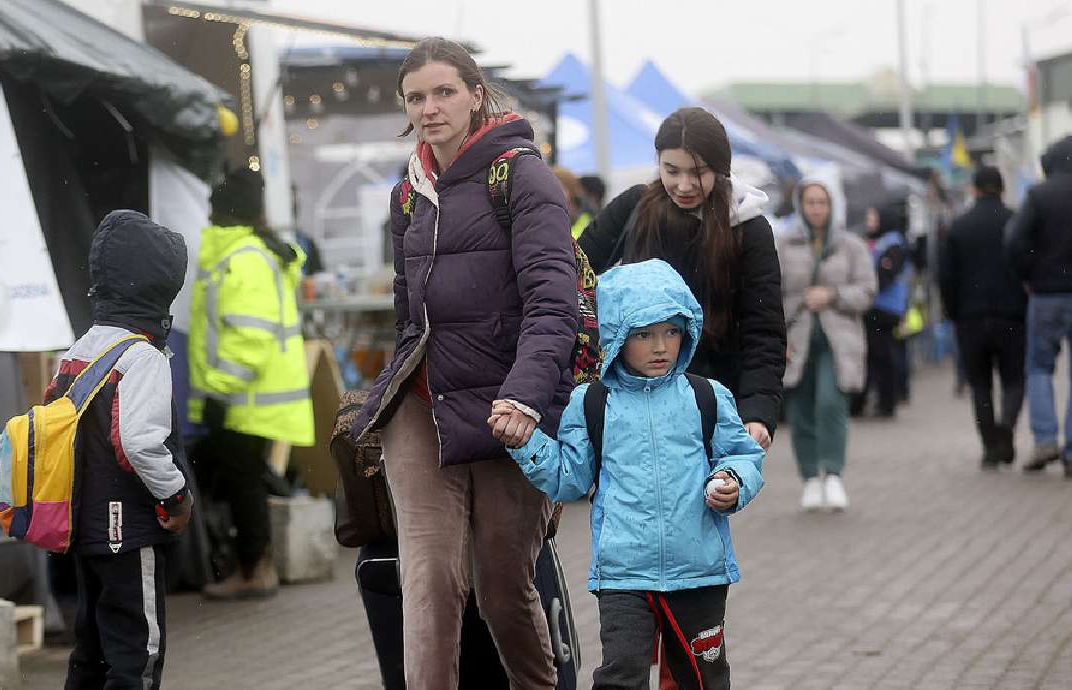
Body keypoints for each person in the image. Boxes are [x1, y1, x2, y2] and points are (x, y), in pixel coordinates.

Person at [351, 37, 578, 689]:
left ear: (476, 94)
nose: (429, 107)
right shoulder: (408, 196)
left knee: (505, 591)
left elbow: (553, 302)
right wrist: (383, 400)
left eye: (443, 91)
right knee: (428, 585)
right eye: (415, 97)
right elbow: (407, 319)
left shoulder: (520, 174)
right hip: (425, 408)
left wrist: (526, 398)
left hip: (511, 409)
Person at [496, 259, 764, 690]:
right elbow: (569, 478)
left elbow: (743, 455)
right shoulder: (591, 403)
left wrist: (733, 481)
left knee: (704, 679)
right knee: (620, 677)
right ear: (619, 336)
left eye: (671, 331)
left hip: (699, 572)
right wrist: (525, 444)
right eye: (644, 334)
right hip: (622, 576)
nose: (661, 346)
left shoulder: (706, 396)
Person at [577, 106, 786, 452]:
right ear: (658, 161)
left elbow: (763, 328)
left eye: (698, 172)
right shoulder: (634, 207)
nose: (684, 185)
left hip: (711, 401)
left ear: (720, 169)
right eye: (671, 170)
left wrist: (758, 411)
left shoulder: (748, 227)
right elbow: (573, 270)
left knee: (703, 501)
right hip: (631, 401)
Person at [57, 210, 194, 690]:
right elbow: (138, 442)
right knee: (138, 652)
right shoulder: (143, 356)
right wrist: (175, 496)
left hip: (84, 528)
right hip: (129, 531)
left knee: (91, 646)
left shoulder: (79, 350)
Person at [188, 167, 313, 598]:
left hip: (245, 396)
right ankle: (252, 566)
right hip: (254, 395)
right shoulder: (250, 253)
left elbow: (250, 336)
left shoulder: (242, 260)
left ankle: (254, 570)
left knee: (242, 483)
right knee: (244, 480)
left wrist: (219, 391)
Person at [777, 179, 876, 511]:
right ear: (800, 205)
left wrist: (832, 295)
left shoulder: (850, 245)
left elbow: (866, 291)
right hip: (796, 339)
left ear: (832, 206)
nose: (817, 208)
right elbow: (769, 295)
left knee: (831, 402)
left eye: (822, 202)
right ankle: (809, 478)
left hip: (839, 341)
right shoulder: (783, 245)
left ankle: (833, 474)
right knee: (800, 408)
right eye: (810, 202)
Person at [1006, 135, 1072, 479]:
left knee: (1040, 369)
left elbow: (1014, 241)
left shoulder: (1039, 196)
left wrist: (1027, 275)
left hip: (1046, 295)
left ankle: (1045, 440)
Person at [939, 167, 1027, 469]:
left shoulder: (959, 226)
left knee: (980, 384)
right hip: (1013, 316)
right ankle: (1006, 429)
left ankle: (990, 446)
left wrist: (954, 312)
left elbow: (945, 276)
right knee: (1014, 379)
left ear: (974, 189)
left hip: (971, 317)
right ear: (1002, 189)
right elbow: (1028, 264)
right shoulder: (1016, 221)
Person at [852, 202, 912, 418]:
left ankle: (887, 402)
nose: (869, 222)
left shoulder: (893, 243)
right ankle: (877, 401)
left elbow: (884, 275)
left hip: (884, 308)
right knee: (877, 355)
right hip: (876, 306)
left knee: (883, 355)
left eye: (873, 217)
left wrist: (864, 285)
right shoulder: (878, 242)